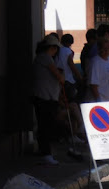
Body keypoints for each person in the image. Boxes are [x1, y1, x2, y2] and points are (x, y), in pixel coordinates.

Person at [32, 35, 64, 165]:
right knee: (46, 125)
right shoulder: (46, 58)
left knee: (44, 125)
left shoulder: (42, 58)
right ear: (53, 48)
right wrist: (61, 75)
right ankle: (46, 153)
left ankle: (45, 151)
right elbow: (59, 77)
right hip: (45, 97)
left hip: (46, 96)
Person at [85, 38, 109, 110]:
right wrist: (99, 102)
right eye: (104, 49)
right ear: (99, 49)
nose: (107, 51)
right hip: (101, 104)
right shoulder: (95, 62)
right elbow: (93, 85)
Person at [55, 33, 84, 103]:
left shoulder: (58, 50)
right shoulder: (68, 51)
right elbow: (71, 64)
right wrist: (79, 77)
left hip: (59, 79)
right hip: (68, 80)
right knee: (71, 101)